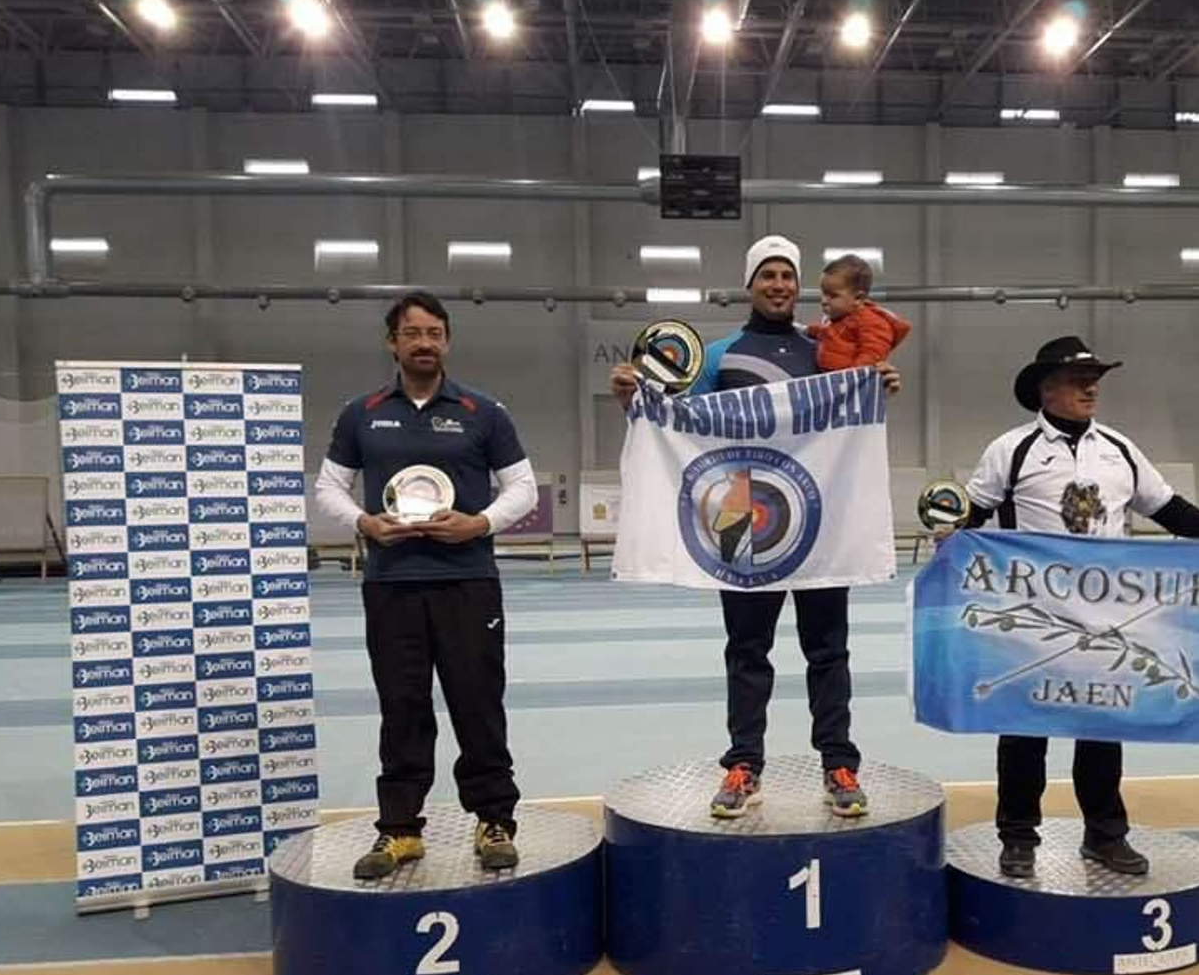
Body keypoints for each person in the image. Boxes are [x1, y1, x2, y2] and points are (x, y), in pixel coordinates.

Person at [945, 335, 1199, 879]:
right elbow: (970, 518)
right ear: (1047, 389)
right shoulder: (1011, 450)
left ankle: (1104, 834)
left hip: (1107, 625)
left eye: (1095, 377)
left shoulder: (1119, 449)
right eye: (1079, 379)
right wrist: (947, 539)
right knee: (1023, 730)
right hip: (1033, 623)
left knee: (1101, 728)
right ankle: (1018, 836)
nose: (1091, 387)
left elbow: (1168, 509)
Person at [610, 234, 900, 819]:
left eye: (787, 275)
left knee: (828, 649)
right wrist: (634, 401)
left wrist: (876, 391)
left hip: (819, 521)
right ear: (749, 284)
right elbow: (679, 424)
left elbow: (845, 423)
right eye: (767, 275)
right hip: (744, 524)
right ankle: (743, 765)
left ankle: (838, 764)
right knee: (747, 650)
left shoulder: (824, 351)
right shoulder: (720, 355)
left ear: (801, 286)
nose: (778, 285)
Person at [315, 290, 538, 880]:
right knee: (402, 707)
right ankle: (400, 829)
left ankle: (494, 820)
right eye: (412, 333)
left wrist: (479, 522)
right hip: (391, 583)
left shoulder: (482, 411)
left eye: (434, 332)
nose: (423, 342)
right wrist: (363, 523)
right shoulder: (360, 413)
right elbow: (328, 490)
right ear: (393, 342)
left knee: (477, 702)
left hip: (468, 581)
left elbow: (523, 489)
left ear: (447, 341)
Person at [806, 252, 912, 372]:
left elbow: (872, 355)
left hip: (848, 384)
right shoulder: (838, 318)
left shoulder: (872, 323)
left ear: (858, 298)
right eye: (823, 293)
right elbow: (827, 332)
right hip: (831, 380)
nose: (824, 300)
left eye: (832, 295)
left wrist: (853, 378)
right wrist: (807, 330)